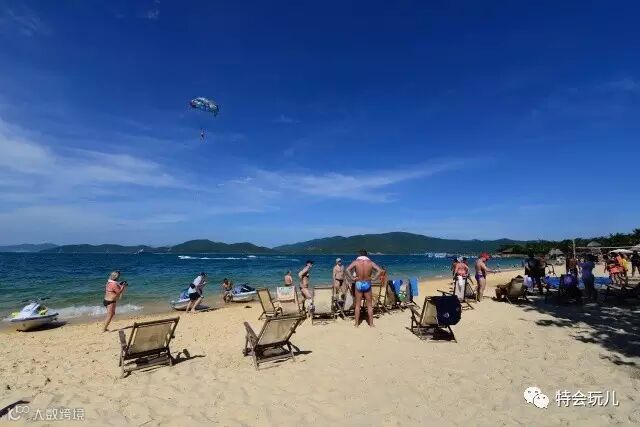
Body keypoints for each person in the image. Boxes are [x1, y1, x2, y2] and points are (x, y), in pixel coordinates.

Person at [346, 249, 382, 327]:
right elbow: (379, 270)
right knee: (369, 305)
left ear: (359, 255)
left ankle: (356, 324)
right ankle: (371, 324)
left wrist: (352, 278)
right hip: (367, 283)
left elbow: (347, 269)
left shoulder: (356, 262)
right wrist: (374, 278)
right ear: (366, 255)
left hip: (358, 283)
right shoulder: (370, 262)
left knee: (357, 305)